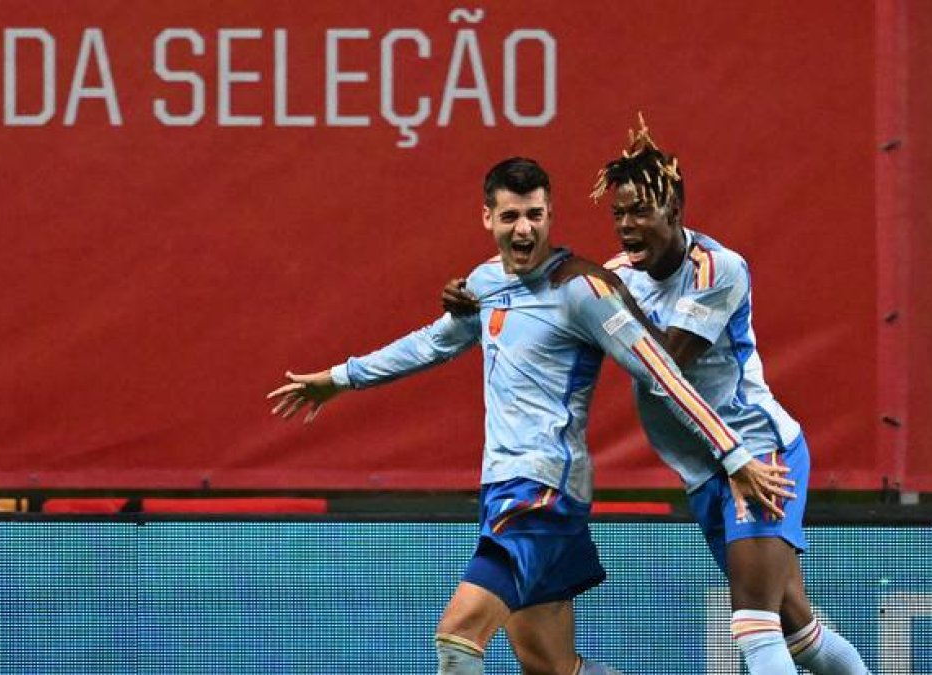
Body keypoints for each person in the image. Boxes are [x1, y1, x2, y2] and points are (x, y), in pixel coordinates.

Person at [268, 157, 794, 675]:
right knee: (549, 665)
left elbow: (663, 372)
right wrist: (341, 378)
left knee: (458, 637)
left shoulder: (583, 289)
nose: (524, 229)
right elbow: (432, 343)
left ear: (550, 216)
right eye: (511, 217)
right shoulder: (484, 282)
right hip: (502, 486)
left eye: (535, 216)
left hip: (542, 494)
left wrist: (734, 454)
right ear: (488, 219)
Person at [443, 118, 873, 675]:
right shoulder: (617, 274)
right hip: (704, 470)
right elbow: (554, 314)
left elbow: (665, 364)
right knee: (799, 630)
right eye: (618, 214)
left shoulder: (718, 269)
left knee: (755, 626)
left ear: (674, 210)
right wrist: (481, 294)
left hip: (755, 454)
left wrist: (601, 292)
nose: (626, 225)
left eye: (641, 211)